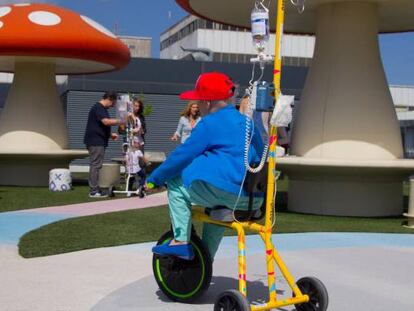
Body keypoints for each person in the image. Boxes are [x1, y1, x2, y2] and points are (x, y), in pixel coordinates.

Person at [148, 72, 264, 260]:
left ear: (207, 102)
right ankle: (205, 259)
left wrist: (154, 179)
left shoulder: (209, 123)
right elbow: (259, 155)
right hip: (251, 199)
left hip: (225, 193)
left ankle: (180, 241)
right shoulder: (248, 123)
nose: (198, 106)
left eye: (198, 102)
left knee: (176, 184)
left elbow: (181, 155)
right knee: (218, 209)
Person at [84, 91, 123, 198]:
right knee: (95, 165)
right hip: (96, 141)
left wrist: (110, 135)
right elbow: (106, 122)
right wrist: (122, 121)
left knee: (96, 165)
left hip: (98, 140)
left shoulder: (101, 109)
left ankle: (96, 189)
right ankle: (93, 190)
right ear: (109, 98)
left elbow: (99, 126)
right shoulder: (99, 108)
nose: (113, 105)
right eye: (113, 102)